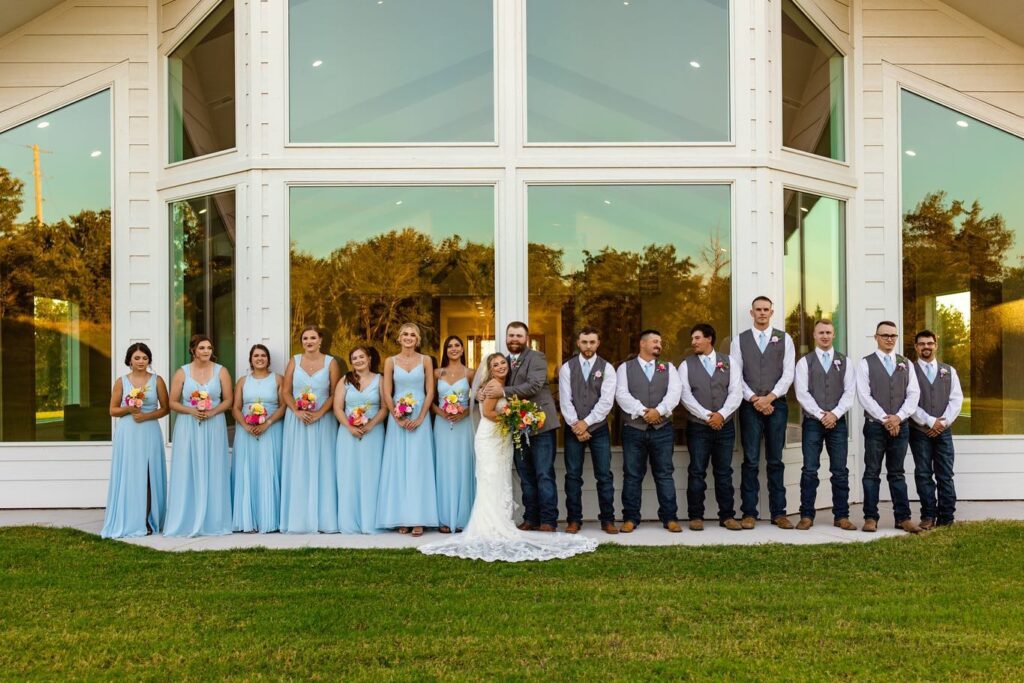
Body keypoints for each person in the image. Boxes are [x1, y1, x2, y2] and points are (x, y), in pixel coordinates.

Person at [419, 354, 598, 562]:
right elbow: (486, 413)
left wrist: (515, 416)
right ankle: (489, 525)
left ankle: (501, 520)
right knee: (491, 479)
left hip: (502, 438)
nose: (500, 366)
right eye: (495, 364)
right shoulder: (492, 385)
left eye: (503, 363)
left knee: (501, 479)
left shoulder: (507, 384)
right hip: (490, 438)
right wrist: (514, 416)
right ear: (490, 369)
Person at [479, 322, 560, 531]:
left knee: (543, 473)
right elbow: (491, 381)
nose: (514, 339)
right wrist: (482, 392)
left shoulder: (537, 358)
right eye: (511, 335)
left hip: (541, 425)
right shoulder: (504, 362)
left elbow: (533, 385)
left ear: (527, 338)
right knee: (525, 475)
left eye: (519, 335)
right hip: (518, 427)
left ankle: (548, 520)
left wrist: (502, 393)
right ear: (506, 338)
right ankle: (531, 518)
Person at [729, 296, 795, 529]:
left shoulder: (784, 339)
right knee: (751, 460)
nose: (762, 313)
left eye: (766, 309)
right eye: (758, 309)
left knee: (775, 460)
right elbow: (736, 375)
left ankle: (779, 512)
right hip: (750, 405)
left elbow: (788, 374)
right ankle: (749, 513)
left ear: (772, 312)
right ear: (751, 312)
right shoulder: (740, 341)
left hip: (777, 404)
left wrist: (770, 397)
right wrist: (755, 398)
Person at [855, 321, 922, 533]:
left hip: (900, 427)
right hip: (875, 426)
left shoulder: (906, 363)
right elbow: (864, 396)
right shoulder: (866, 363)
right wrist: (886, 419)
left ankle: (903, 518)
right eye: (885, 335)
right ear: (876, 337)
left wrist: (898, 417)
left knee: (897, 473)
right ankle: (870, 518)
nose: (889, 339)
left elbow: (914, 394)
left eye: (893, 335)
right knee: (872, 472)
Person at [164, 334, 234, 537]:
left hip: (214, 425)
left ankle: (214, 520)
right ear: (193, 350)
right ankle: (185, 518)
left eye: (209, 348)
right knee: (187, 468)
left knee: (214, 467)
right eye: (202, 348)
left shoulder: (221, 371)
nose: (206, 351)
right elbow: (173, 402)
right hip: (188, 425)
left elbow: (228, 399)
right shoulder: (182, 372)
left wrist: (212, 412)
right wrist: (191, 411)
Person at [614, 329, 683, 533]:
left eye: (660, 342)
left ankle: (670, 518)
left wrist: (659, 411)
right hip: (634, 429)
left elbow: (674, 393)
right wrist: (644, 411)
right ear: (642, 344)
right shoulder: (624, 369)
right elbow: (621, 394)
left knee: (664, 474)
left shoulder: (669, 368)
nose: (658, 345)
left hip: (662, 429)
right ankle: (630, 518)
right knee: (632, 475)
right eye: (654, 341)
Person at [678, 324, 743, 531]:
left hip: (724, 426)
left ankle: (727, 516)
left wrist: (721, 415)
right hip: (698, 426)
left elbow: (736, 392)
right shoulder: (686, 365)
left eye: (697, 338)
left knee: (724, 471)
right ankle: (696, 516)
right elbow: (685, 396)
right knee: (697, 471)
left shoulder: (729, 362)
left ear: (709, 339)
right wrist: (707, 416)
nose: (693, 342)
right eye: (692, 339)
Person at [793, 320, 857, 531]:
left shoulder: (844, 361)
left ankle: (841, 516)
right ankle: (806, 515)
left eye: (829, 332)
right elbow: (802, 393)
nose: (825, 336)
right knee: (810, 470)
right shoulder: (805, 362)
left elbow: (849, 393)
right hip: (813, 422)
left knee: (840, 470)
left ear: (834, 334)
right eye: (821, 332)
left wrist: (835, 414)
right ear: (814, 335)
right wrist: (822, 415)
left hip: (837, 423)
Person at [101, 343, 169, 538]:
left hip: (149, 431)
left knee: (148, 474)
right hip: (128, 432)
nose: (141, 362)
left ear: (149, 360)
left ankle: (148, 519)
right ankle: (129, 517)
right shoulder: (122, 382)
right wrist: (129, 409)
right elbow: (113, 410)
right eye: (137, 358)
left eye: (145, 358)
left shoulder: (157, 381)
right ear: (129, 360)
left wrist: (146, 416)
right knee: (130, 474)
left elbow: (165, 408)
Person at [377, 323, 438, 536]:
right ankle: (401, 516)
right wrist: (396, 416)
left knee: (418, 466)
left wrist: (422, 416)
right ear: (399, 338)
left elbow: (430, 391)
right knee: (399, 465)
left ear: (418, 339)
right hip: (398, 417)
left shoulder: (426, 360)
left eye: (413, 335)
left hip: (420, 415)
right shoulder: (390, 361)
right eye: (405, 334)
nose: (409, 337)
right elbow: (386, 391)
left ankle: (419, 517)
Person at [280, 327, 341, 533]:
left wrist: (320, 413)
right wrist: (297, 411)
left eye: (313, 337)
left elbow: (335, 393)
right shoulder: (294, 361)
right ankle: (298, 519)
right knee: (298, 464)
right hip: (297, 420)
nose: (309, 341)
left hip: (323, 420)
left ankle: (324, 520)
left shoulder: (331, 363)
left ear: (320, 340)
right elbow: (286, 391)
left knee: (323, 464)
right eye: (305, 338)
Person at [558, 326, 618, 534]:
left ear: (598, 343)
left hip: (599, 429)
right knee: (573, 476)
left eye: (592, 342)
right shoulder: (567, 368)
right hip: (573, 429)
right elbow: (565, 400)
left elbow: (606, 401)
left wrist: (587, 422)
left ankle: (607, 520)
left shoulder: (607, 368)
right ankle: (574, 520)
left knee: (604, 476)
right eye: (584, 342)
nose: (588, 346)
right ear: (578, 343)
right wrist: (576, 425)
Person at [909, 330, 963, 529]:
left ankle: (947, 517)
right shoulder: (908, 371)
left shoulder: (949, 371)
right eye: (922, 344)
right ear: (916, 347)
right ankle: (928, 516)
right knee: (923, 474)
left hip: (944, 431)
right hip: (919, 431)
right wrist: (930, 422)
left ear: (936, 345)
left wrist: (943, 423)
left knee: (945, 474)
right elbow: (909, 402)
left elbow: (956, 400)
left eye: (930, 343)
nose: (926, 347)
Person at [230, 344, 286, 533]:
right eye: (256, 356)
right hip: (246, 432)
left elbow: (282, 406)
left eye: (263, 355)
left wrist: (267, 423)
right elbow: (236, 407)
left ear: (268, 359)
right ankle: (247, 520)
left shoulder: (278, 379)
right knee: (248, 471)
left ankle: (270, 520)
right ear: (251, 360)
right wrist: (245, 426)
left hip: (271, 430)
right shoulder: (242, 381)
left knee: (269, 469)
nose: (260, 358)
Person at [334, 345, 387, 534]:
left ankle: (371, 522)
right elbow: (338, 408)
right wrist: (349, 427)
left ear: (369, 359)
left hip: (373, 433)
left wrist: (370, 425)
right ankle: (350, 522)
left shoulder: (381, 379)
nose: (358, 360)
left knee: (372, 475)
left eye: (361, 357)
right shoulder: (345, 380)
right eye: (354, 358)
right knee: (349, 476)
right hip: (348, 435)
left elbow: (384, 407)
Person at [431, 335, 476, 534]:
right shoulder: (436, 373)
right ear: (445, 350)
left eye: (457, 345)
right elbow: (429, 401)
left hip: (463, 425)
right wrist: (443, 413)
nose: (454, 349)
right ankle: (444, 517)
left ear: (463, 349)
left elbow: (477, 402)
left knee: (462, 465)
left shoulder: (471, 373)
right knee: (443, 466)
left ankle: (462, 517)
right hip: (442, 425)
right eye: (449, 346)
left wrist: (462, 413)